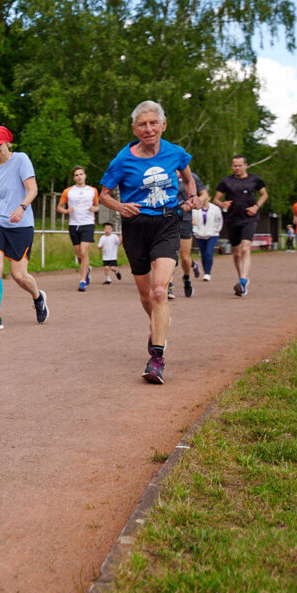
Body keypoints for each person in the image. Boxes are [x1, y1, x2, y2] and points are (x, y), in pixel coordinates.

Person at [98, 100, 199, 384]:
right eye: (142, 124)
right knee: (146, 297)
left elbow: (189, 180)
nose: (148, 129)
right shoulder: (122, 159)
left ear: (163, 125)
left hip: (167, 223)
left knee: (158, 291)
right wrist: (119, 207)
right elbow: (104, 194)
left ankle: (157, 357)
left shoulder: (176, 153)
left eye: (153, 123)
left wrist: (191, 198)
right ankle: (159, 325)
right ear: (134, 128)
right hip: (135, 227)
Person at [0, 125, 48, 331]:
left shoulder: (21, 160)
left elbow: (32, 189)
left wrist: (22, 207)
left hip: (21, 224)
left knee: (19, 275)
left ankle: (38, 296)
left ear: (7, 143)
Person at [212, 155, 268, 297]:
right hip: (232, 219)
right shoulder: (227, 181)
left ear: (245, 165)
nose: (237, 168)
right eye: (234, 165)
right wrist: (222, 204)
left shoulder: (254, 179)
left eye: (239, 165)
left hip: (249, 218)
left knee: (245, 248)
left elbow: (264, 195)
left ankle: (243, 281)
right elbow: (216, 199)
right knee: (236, 253)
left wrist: (256, 206)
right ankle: (241, 280)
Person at [57, 166, 99, 291]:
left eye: (81, 174)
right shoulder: (68, 191)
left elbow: (97, 206)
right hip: (74, 224)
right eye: (76, 175)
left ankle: (82, 281)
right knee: (79, 254)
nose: (79, 177)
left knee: (84, 252)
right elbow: (59, 207)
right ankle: (88, 269)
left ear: (85, 176)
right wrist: (66, 211)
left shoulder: (92, 190)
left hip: (87, 223)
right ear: (74, 178)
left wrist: (94, 209)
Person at [168, 168, 209, 298]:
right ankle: (169, 285)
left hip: (184, 219)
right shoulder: (163, 174)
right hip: (166, 220)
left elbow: (204, 194)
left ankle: (186, 278)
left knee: (184, 257)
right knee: (169, 254)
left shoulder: (190, 177)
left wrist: (197, 201)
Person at [191, 196, 222, 281]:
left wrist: (215, 231)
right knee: (203, 254)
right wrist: (196, 231)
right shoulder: (195, 209)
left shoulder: (215, 209)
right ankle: (205, 271)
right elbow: (193, 222)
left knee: (209, 252)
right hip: (199, 235)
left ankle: (207, 273)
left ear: (208, 198)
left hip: (212, 235)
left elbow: (219, 221)